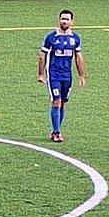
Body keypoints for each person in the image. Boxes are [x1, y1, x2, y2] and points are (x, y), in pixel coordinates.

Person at [38, 9, 86, 143]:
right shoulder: (51, 37)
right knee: (56, 102)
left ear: (72, 22)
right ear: (59, 20)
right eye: (62, 19)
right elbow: (42, 56)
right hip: (54, 75)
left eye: (67, 19)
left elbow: (78, 58)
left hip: (67, 76)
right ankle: (57, 132)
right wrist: (41, 74)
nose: (64, 21)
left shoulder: (75, 38)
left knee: (63, 103)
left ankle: (56, 130)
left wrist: (82, 76)